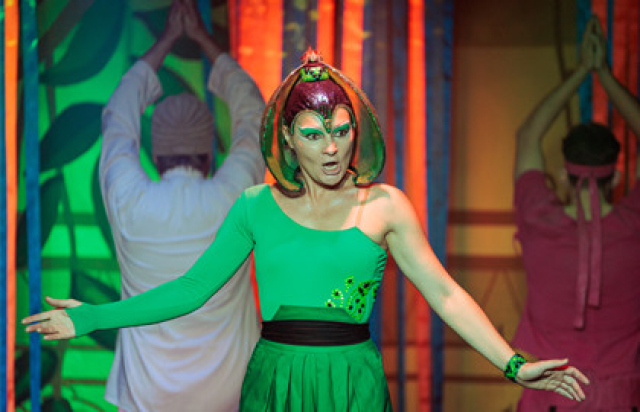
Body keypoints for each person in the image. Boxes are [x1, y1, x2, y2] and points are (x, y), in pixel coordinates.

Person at [24, 47, 588, 411]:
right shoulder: (254, 206)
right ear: (289, 140)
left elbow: (445, 294)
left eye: (341, 131)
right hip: (275, 381)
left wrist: (513, 364)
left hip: (353, 380)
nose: (332, 147)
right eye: (314, 134)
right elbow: (191, 290)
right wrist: (91, 317)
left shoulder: (385, 206)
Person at [94, 0, 264, 410]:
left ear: (155, 157)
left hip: (146, 397)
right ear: (208, 156)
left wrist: (166, 39)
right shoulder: (235, 196)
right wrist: (202, 39)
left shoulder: (129, 199)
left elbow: (118, 116)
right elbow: (255, 117)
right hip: (229, 395)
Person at [513, 16, 640, 411]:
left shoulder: (538, 219)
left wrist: (582, 72)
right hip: (621, 398)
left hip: (550, 395)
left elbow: (528, 135)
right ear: (616, 175)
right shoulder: (635, 225)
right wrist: (605, 75)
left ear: (563, 175)